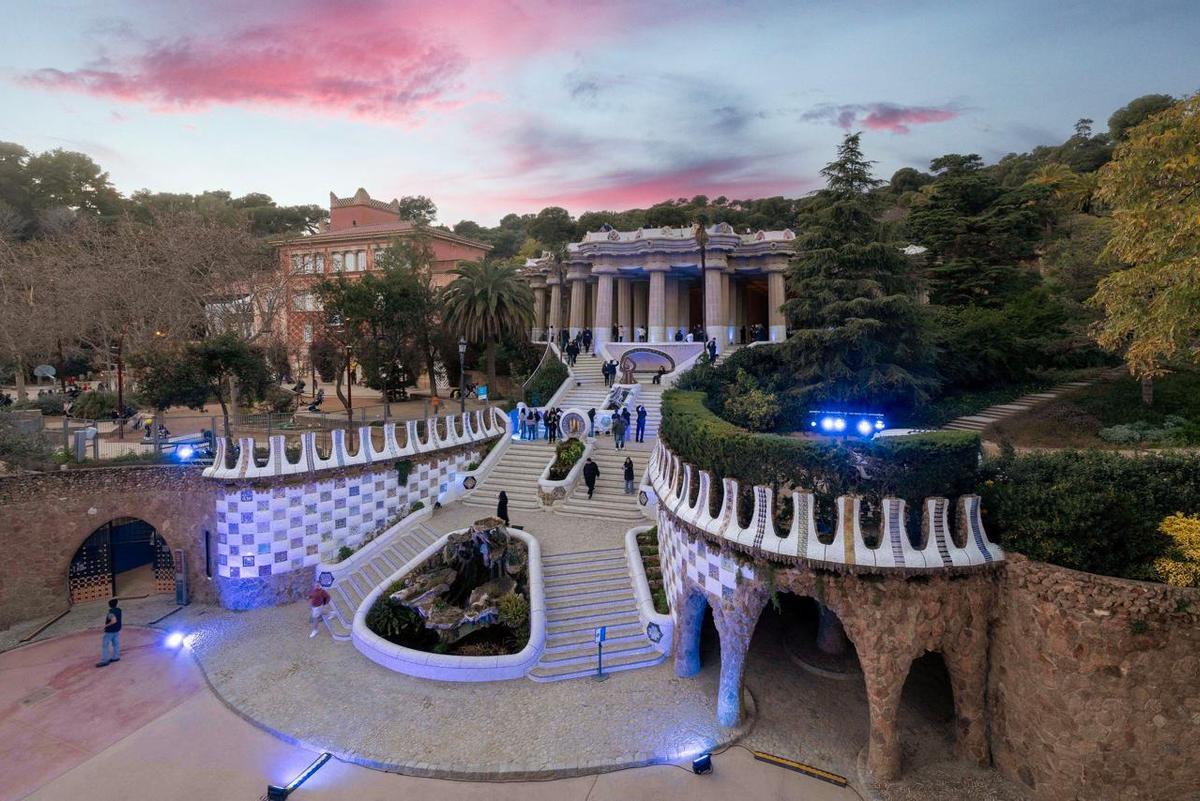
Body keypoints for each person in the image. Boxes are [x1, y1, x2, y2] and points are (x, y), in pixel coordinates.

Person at [96, 598, 121, 667]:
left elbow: (114, 621)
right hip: (117, 629)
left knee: (105, 645)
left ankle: (105, 660)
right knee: (116, 644)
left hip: (110, 631)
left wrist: (105, 626)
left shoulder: (110, 613)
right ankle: (116, 656)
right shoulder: (119, 610)